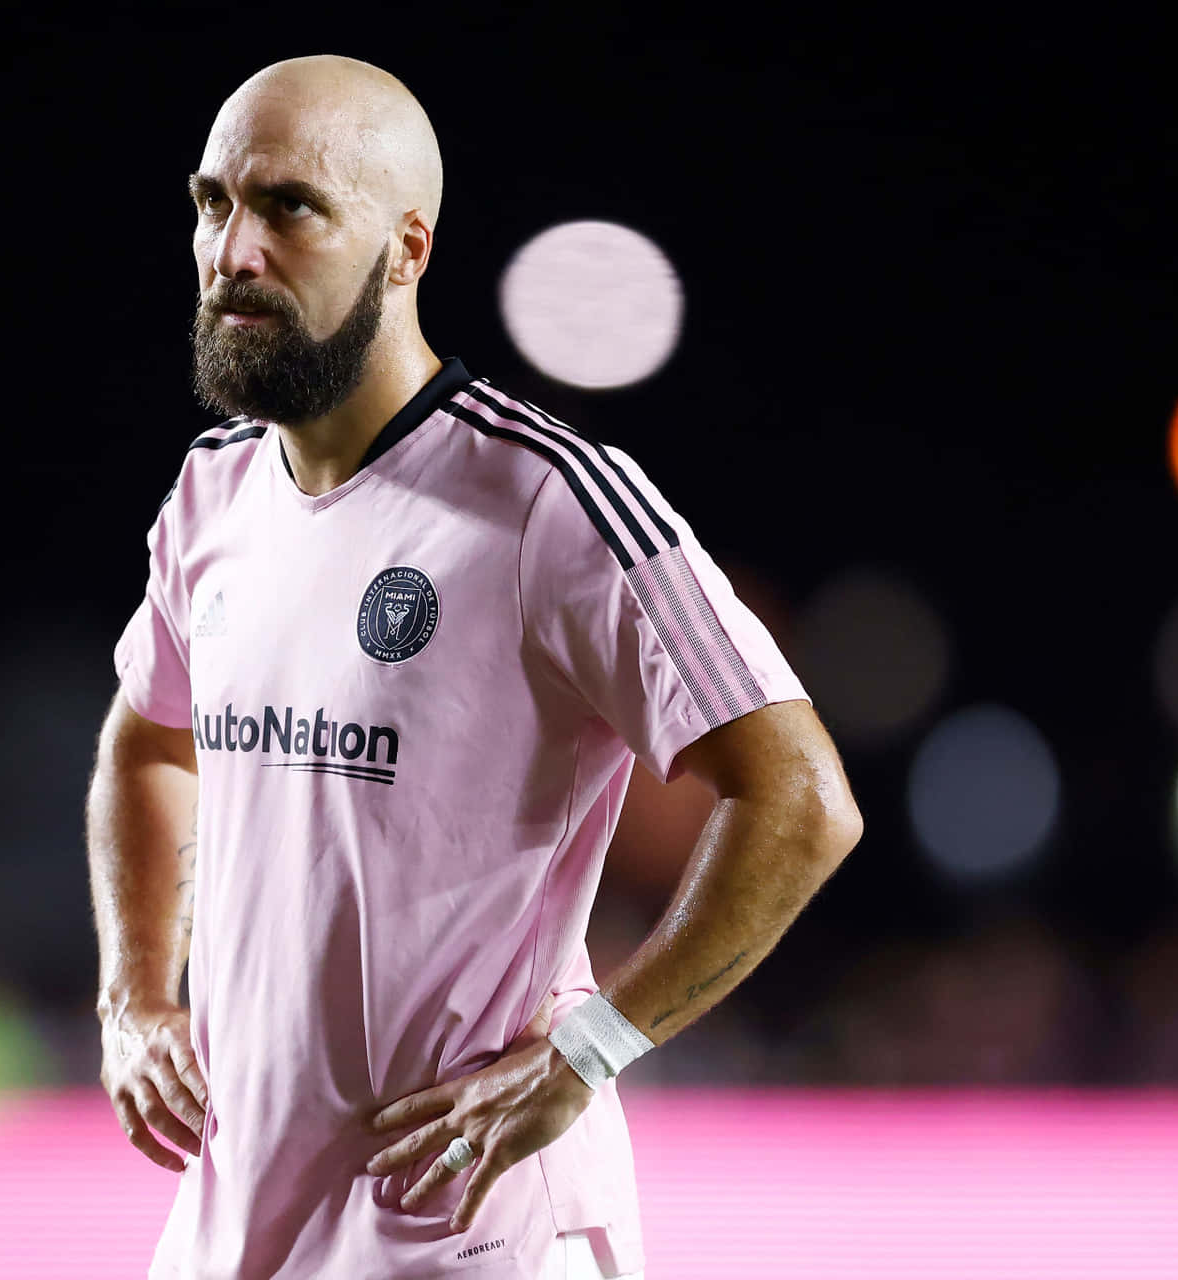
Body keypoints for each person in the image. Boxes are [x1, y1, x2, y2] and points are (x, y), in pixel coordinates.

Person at [87, 54, 863, 1280]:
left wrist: (589, 1049)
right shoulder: (213, 488)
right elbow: (146, 738)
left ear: (406, 248)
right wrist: (135, 995)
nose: (233, 251)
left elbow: (803, 798)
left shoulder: (552, 498)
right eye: (211, 202)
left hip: (463, 1219)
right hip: (237, 1210)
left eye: (290, 206)